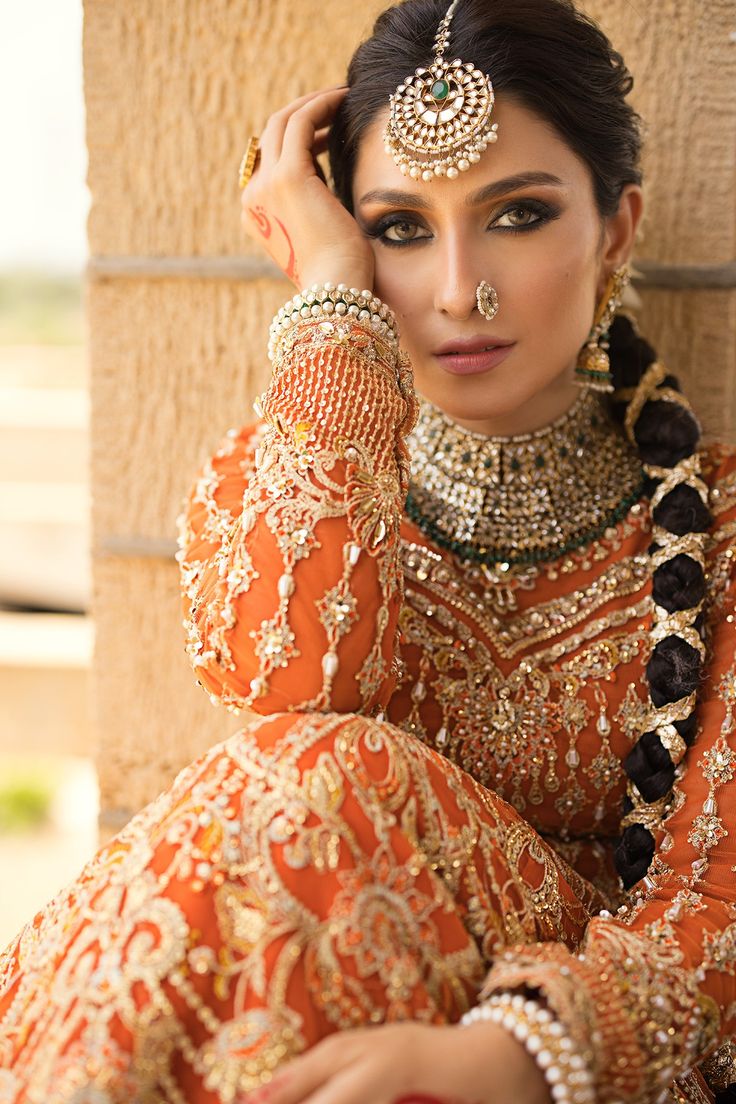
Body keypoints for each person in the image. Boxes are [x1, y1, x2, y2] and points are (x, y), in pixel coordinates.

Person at [1, 0, 735, 1100]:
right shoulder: (292, 460)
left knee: (329, 769)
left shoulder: (718, 526)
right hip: (314, 991)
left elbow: (717, 907)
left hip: (571, 1039)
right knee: (308, 767)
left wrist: (519, 1054)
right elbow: (296, 684)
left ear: (616, 232)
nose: (455, 291)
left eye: (519, 214)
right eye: (398, 229)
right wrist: (333, 306)